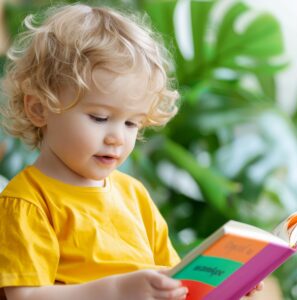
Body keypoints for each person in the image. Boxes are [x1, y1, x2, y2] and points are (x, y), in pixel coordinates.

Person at [0, 3, 263, 300]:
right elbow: (25, 296)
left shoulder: (134, 195)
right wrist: (118, 290)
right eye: (99, 117)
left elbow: (174, 286)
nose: (117, 138)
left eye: (131, 122)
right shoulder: (28, 202)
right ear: (39, 108)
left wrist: (223, 287)